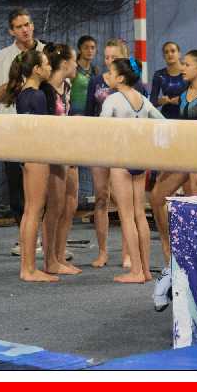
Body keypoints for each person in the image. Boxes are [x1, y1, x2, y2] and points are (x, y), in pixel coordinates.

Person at [149, 48, 197, 309]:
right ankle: (169, 255)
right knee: (157, 196)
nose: (182, 68)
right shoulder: (184, 93)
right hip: (185, 156)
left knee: (195, 210)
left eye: (187, 64)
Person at [0, 8, 46, 251]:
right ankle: (26, 238)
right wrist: (18, 84)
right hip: (10, 127)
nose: (25, 30)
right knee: (17, 185)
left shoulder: (46, 52)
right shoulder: (3, 56)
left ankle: (47, 238)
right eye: (19, 26)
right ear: (11, 31)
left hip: (41, 127)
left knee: (45, 186)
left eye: (27, 24)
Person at [101, 57, 164, 284]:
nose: (106, 76)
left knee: (126, 216)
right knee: (140, 215)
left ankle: (136, 271)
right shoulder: (142, 99)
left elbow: (99, 128)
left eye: (110, 73)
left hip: (121, 159)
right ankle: (145, 270)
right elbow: (162, 121)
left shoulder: (112, 99)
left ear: (120, 78)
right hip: (140, 159)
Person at [84, 38, 146, 269]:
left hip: (125, 148)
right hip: (101, 146)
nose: (109, 61)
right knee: (101, 197)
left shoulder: (136, 85)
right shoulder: (96, 81)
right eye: (106, 57)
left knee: (124, 202)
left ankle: (128, 254)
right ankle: (102, 252)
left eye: (114, 58)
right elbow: (89, 114)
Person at [5, 48, 57, 282]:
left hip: (27, 155)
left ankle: (27, 267)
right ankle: (29, 269)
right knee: (35, 210)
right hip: (37, 154)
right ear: (36, 69)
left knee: (30, 210)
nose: (49, 67)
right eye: (46, 64)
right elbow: (44, 132)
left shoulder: (23, 94)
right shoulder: (36, 96)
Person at [41, 43, 81, 276]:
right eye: (74, 61)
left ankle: (60, 254)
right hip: (52, 154)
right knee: (54, 208)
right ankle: (49, 260)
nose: (77, 65)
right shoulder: (46, 90)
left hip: (68, 151)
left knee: (69, 205)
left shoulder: (67, 85)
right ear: (65, 63)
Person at [150, 40, 187, 119]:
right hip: (167, 117)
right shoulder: (159, 75)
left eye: (173, 51)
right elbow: (152, 102)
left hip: (187, 117)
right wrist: (160, 101)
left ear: (179, 54)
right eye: (166, 52)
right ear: (164, 56)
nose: (170, 54)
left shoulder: (187, 72)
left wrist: (183, 100)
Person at [69, 35, 97, 115]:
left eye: (92, 48)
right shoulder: (73, 68)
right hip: (74, 114)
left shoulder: (95, 70)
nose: (90, 51)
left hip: (90, 114)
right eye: (86, 47)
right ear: (80, 50)